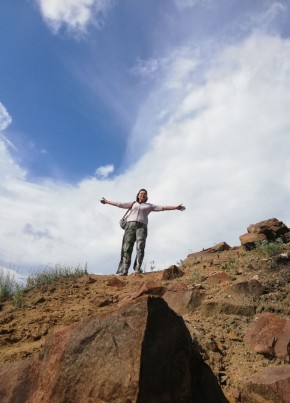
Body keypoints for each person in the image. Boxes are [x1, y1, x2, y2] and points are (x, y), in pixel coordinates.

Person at [100, 189, 185, 276]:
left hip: (142, 227)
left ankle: (137, 269)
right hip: (130, 226)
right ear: (138, 195)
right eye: (141, 193)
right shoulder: (133, 204)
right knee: (127, 247)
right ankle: (124, 270)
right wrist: (107, 201)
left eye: (144, 194)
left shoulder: (149, 206)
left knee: (140, 247)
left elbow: (163, 207)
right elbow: (120, 204)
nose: (142, 195)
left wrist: (175, 207)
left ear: (146, 196)